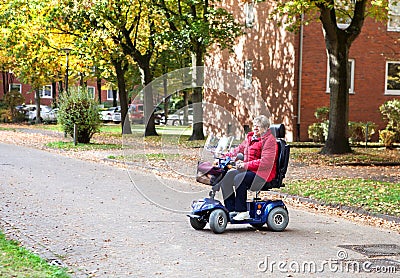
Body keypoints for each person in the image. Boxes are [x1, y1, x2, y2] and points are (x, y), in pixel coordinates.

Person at [212, 115, 278, 221]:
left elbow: (266, 162)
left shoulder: (270, 141)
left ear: (265, 128)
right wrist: (222, 157)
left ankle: (242, 211)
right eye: (254, 125)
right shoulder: (250, 138)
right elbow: (238, 150)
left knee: (240, 178)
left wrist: (245, 165)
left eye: (258, 126)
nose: (255, 128)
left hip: (263, 174)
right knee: (226, 177)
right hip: (249, 170)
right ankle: (231, 209)